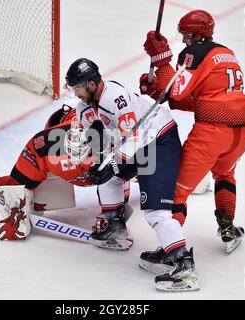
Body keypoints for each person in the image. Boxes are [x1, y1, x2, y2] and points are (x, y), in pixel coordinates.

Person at [65, 57, 199, 292]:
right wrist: (100, 160)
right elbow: (103, 144)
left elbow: (135, 137)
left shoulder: (116, 97)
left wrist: (114, 163)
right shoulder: (83, 108)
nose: (75, 93)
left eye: (77, 88)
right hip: (135, 145)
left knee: (156, 212)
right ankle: (115, 227)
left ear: (92, 84)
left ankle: (184, 265)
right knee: (106, 177)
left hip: (159, 141)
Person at [139, 9, 245, 266]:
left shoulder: (194, 54)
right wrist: (159, 90)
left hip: (212, 133)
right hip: (242, 132)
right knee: (224, 175)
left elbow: (178, 92)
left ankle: (171, 250)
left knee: (176, 191)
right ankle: (228, 227)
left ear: (195, 34)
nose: (183, 40)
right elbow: (201, 101)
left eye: (185, 35)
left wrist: (161, 60)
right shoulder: (226, 53)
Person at [0, 102, 133, 248]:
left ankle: (114, 213)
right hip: (73, 153)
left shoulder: (113, 133)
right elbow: (17, 183)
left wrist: (112, 213)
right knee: (124, 171)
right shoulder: (42, 146)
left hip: (114, 150)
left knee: (124, 169)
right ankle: (114, 213)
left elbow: (138, 156)